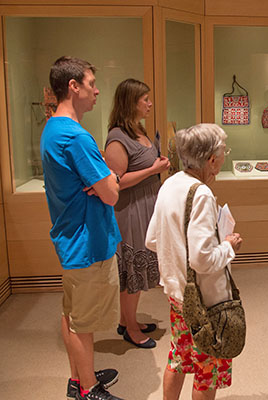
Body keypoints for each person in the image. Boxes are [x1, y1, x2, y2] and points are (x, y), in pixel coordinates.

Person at [40, 56, 123, 400]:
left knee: (72, 313)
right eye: (91, 84)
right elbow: (112, 194)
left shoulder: (52, 128)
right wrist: (110, 178)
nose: (97, 90)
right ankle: (88, 389)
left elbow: (100, 183)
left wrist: (103, 178)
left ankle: (79, 376)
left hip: (71, 238)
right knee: (83, 323)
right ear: (73, 87)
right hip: (87, 243)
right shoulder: (76, 137)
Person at [146, 123, 243, 400]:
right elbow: (202, 260)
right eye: (224, 152)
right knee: (207, 367)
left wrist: (176, 253)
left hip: (178, 296)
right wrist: (228, 246)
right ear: (212, 159)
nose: (225, 158)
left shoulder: (169, 184)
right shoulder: (200, 194)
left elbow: (152, 240)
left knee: (180, 354)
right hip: (204, 301)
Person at [104, 78, 170, 348]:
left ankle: (126, 320)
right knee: (132, 270)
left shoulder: (139, 130)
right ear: (131, 102)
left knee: (141, 269)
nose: (150, 104)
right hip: (130, 211)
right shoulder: (117, 138)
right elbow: (116, 181)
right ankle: (130, 328)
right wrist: (153, 170)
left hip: (147, 205)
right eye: (145, 99)